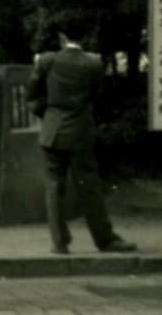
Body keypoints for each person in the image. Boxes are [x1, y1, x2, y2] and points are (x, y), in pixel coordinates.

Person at [28, 15, 137, 256]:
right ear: (83, 37)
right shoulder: (93, 64)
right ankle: (104, 239)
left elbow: (33, 93)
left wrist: (47, 113)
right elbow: (96, 96)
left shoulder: (47, 61)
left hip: (52, 130)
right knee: (88, 187)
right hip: (79, 131)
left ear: (62, 37)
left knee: (54, 187)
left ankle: (59, 242)